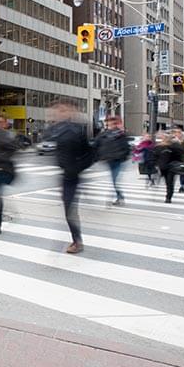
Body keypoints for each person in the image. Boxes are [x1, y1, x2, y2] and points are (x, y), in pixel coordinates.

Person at [45, 102, 94, 254]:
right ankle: (76, 239)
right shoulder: (57, 129)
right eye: (57, 111)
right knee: (68, 209)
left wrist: (76, 168)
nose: (58, 113)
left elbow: (90, 154)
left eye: (62, 111)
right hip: (65, 174)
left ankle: (77, 242)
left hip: (72, 175)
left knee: (69, 210)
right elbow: (46, 138)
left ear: (69, 113)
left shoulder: (76, 130)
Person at [94, 116, 131, 206]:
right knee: (114, 180)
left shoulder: (121, 135)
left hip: (117, 160)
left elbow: (126, 148)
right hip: (109, 160)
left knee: (115, 180)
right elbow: (96, 144)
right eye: (109, 123)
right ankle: (119, 197)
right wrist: (98, 156)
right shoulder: (103, 134)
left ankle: (119, 198)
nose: (111, 125)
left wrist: (122, 157)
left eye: (113, 123)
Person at [155, 131, 184, 203]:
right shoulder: (160, 146)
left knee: (169, 182)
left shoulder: (172, 146)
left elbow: (180, 154)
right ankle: (168, 196)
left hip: (169, 167)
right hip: (166, 167)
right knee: (169, 182)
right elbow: (155, 156)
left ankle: (168, 197)